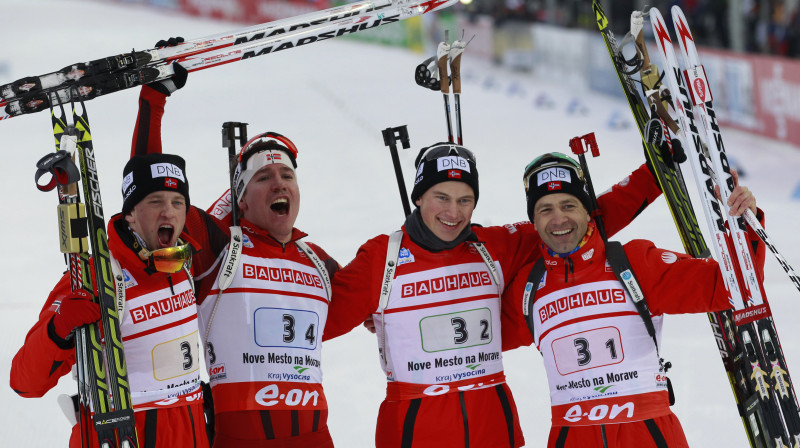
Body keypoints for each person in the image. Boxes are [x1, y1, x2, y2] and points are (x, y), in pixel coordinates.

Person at [323, 142, 665, 448]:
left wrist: (653, 174)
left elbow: (575, 224)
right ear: (418, 197)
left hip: (494, 429)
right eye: (441, 197)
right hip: (414, 432)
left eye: (464, 200)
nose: (453, 213)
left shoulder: (495, 247)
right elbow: (316, 314)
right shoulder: (383, 259)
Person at [130, 66, 339, 447]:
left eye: (287, 176)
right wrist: (153, 101)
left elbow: (378, 299)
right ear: (241, 200)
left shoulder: (317, 261)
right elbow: (149, 190)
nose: (279, 183)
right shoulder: (220, 244)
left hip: (315, 437)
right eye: (264, 178)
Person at [500, 152, 765, 447]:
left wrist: (742, 226)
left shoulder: (634, 264)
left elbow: (727, 288)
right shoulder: (528, 287)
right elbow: (475, 342)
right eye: (545, 209)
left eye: (568, 205)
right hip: (572, 438)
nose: (558, 218)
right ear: (533, 223)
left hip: (648, 436)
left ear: (588, 211)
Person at [10, 152, 212, 448]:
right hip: (120, 435)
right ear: (130, 213)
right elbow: (24, 382)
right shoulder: (97, 276)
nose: (168, 212)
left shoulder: (185, 262)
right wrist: (59, 328)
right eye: (155, 201)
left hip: (189, 432)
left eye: (177, 202)